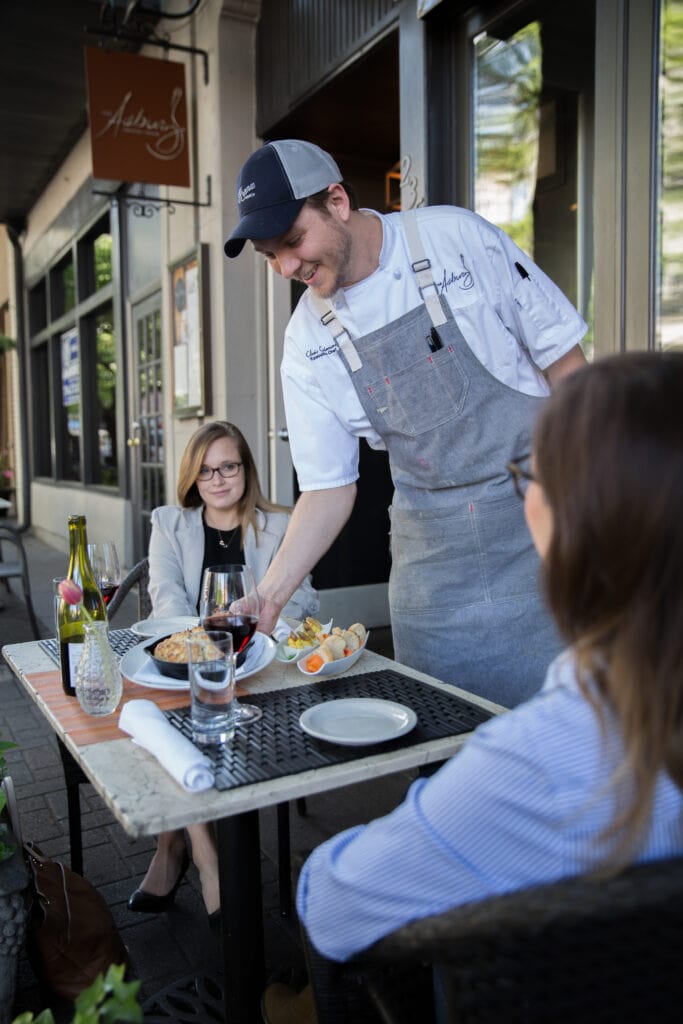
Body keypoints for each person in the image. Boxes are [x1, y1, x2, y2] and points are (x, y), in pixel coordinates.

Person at [262, 350, 683, 1022]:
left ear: (568, 521)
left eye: (531, 472)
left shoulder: (541, 759)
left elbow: (335, 908)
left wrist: (409, 822)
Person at [225, 139, 587, 708]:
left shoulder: (457, 241)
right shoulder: (305, 342)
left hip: (542, 542)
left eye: (293, 242)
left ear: (338, 201)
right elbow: (327, 489)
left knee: (567, 741)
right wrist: (267, 599)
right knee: (441, 741)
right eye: (270, 256)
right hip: (433, 575)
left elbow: (570, 371)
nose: (286, 268)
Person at [128, 420, 318, 920]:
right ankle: (206, 857)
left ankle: (170, 851)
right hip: (194, 660)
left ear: (245, 469)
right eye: (205, 470)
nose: (217, 480)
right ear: (193, 477)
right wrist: (208, 648)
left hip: (257, 665)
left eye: (227, 466)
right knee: (180, 708)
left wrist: (255, 637)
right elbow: (166, 603)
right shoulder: (170, 523)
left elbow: (303, 602)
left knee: (174, 721)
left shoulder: (282, 525)